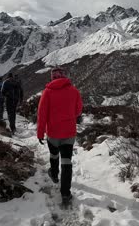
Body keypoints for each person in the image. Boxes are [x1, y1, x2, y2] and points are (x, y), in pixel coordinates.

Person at [37, 67, 83, 204]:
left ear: (52, 77)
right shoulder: (74, 91)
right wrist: (69, 117)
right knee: (67, 162)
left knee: (54, 155)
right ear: (64, 76)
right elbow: (78, 110)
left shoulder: (47, 92)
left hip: (53, 133)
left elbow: (42, 115)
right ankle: (65, 193)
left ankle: (54, 174)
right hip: (69, 132)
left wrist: (40, 133)